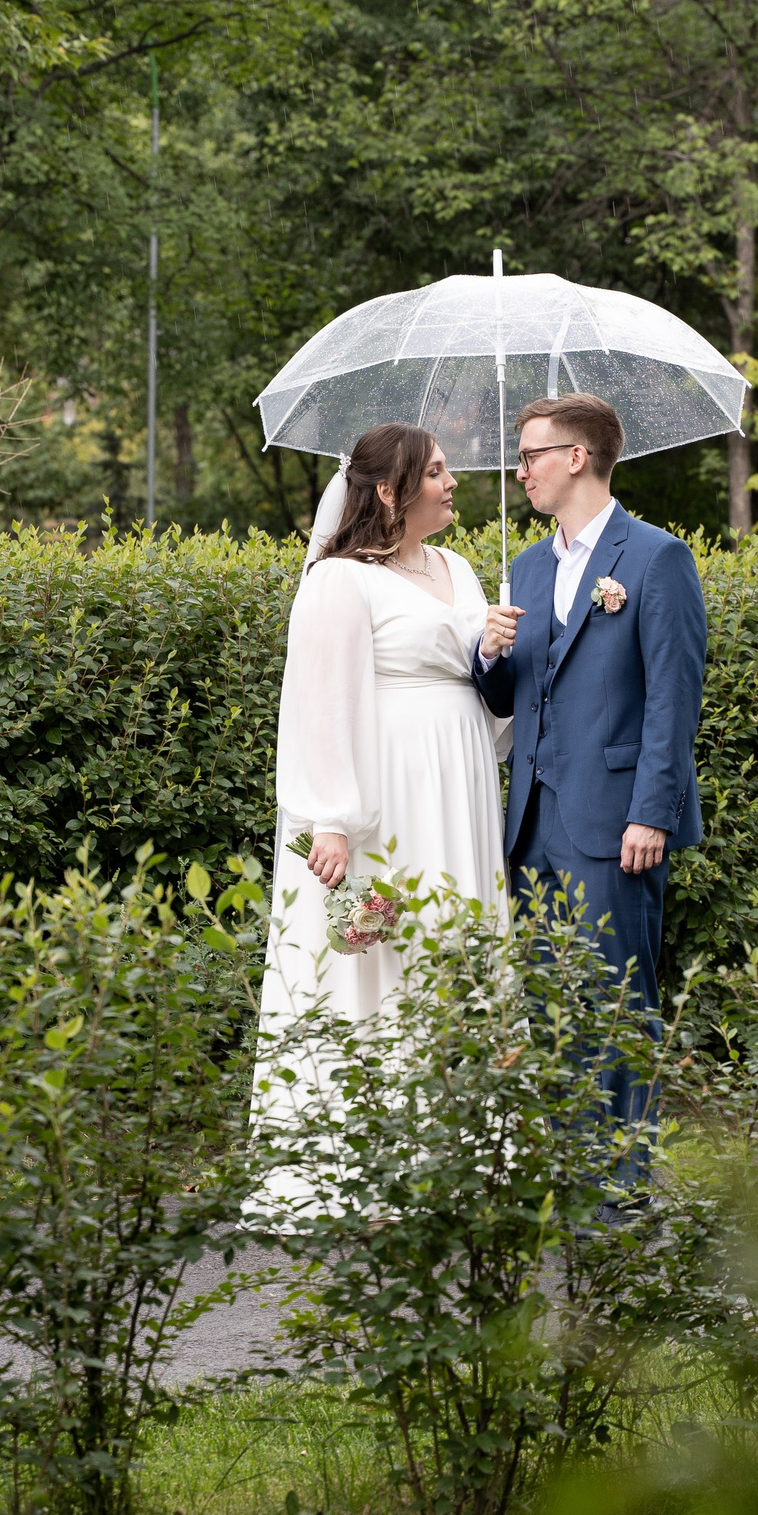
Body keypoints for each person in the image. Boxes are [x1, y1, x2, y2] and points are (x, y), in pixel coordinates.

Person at [250, 421, 510, 1216]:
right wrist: (331, 817)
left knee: (458, 938)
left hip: (461, 781)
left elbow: (483, 688)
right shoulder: (340, 579)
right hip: (389, 790)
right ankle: (369, 1156)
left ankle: (467, 1146)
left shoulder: (460, 568)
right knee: (387, 953)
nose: (452, 483)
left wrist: (493, 649)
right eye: (436, 472)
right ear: (391, 490)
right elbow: (321, 698)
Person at [473, 392, 708, 1161]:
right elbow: (508, 698)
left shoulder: (656, 558)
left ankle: (621, 1189)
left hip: (615, 823)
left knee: (616, 1006)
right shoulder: (525, 567)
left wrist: (653, 812)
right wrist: (489, 652)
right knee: (548, 1006)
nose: (520, 471)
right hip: (532, 825)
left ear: (577, 457)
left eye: (531, 455)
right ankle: (569, 1175)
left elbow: (673, 698)